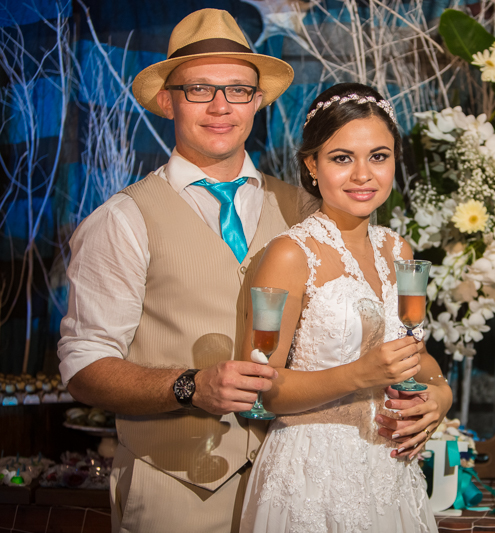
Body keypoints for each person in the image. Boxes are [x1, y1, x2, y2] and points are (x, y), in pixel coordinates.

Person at [57, 10, 419, 533]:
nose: (221, 106)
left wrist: (430, 399)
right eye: (199, 89)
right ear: (168, 101)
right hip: (177, 492)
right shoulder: (123, 219)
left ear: (258, 101)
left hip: (298, 486)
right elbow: (84, 366)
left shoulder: (308, 210)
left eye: (238, 90)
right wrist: (188, 386)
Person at [239, 83, 452, 532]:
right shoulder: (290, 254)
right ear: (311, 165)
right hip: (311, 474)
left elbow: (417, 356)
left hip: (391, 470)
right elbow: (261, 388)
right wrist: (359, 375)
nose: (362, 175)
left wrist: (439, 396)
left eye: (378, 156)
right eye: (341, 158)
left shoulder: (398, 250)